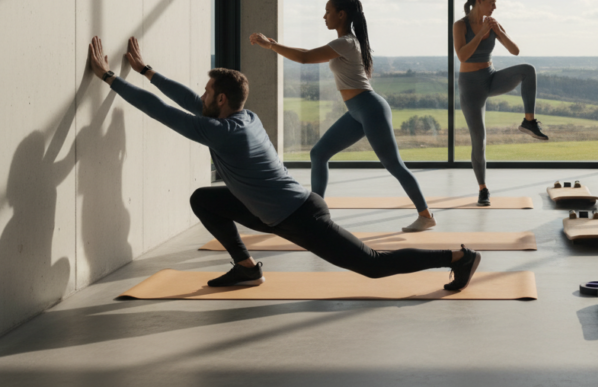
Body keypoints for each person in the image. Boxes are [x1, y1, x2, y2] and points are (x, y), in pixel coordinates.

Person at [86, 36, 481, 289]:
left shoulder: (223, 132)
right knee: (205, 199)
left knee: (373, 266)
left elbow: (161, 112)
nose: (202, 95)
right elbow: (187, 101)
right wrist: (146, 71)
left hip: (301, 215)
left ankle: (459, 257)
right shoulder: (243, 117)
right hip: (270, 210)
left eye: (208, 91)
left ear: (220, 100)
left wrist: (110, 77)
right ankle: (246, 267)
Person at [250, 0, 435, 233]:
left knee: (394, 165)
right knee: (318, 153)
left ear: (341, 14)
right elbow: (307, 52)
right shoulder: (346, 43)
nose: (324, 16)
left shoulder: (346, 42)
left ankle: (426, 215)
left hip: (369, 108)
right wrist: (275, 45)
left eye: (328, 11)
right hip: (358, 110)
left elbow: (306, 57)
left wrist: (271, 45)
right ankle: (316, 215)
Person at [454, 0, 548, 206]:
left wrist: (498, 31)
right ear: (478, 1)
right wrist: (482, 35)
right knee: (479, 141)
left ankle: (529, 122)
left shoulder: (492, 24)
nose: (495, 7)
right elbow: (462, 56)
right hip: (470, 86)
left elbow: (514, 51)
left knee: (528, 70)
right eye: (491, 3)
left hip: (491, 77)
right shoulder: (460, 25)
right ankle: (483, 189)